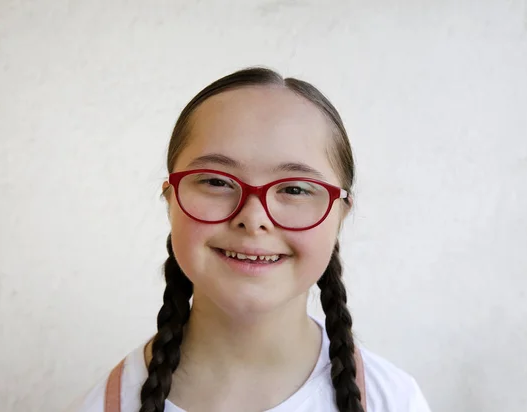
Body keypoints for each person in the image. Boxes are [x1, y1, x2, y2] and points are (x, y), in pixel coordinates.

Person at [68, 67, 432, 412]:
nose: (253, 218)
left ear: (340, 214)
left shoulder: (395, 400)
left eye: (294, 188)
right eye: (216, 181)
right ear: (171, 200)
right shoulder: (103, 404)